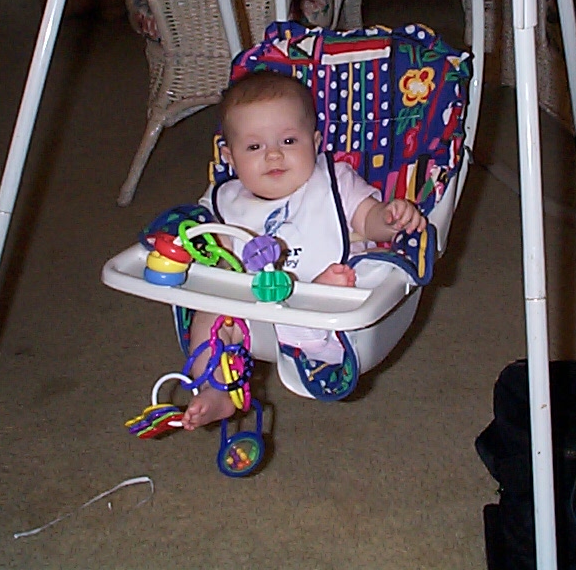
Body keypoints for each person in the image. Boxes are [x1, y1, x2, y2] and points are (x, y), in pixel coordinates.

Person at [181, 70, 427, 430]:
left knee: (361, 271)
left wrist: (389, 218)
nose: (274, 155)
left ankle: (314, 303)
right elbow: (211, 249)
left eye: (288, 140)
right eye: (254, 147)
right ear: (229, 157)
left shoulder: (334, 182)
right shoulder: (225, 201)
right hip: (256, 316)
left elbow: (368, 219)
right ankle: (215, 387)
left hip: (333, 320)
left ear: (314, 142)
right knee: (210, 315)